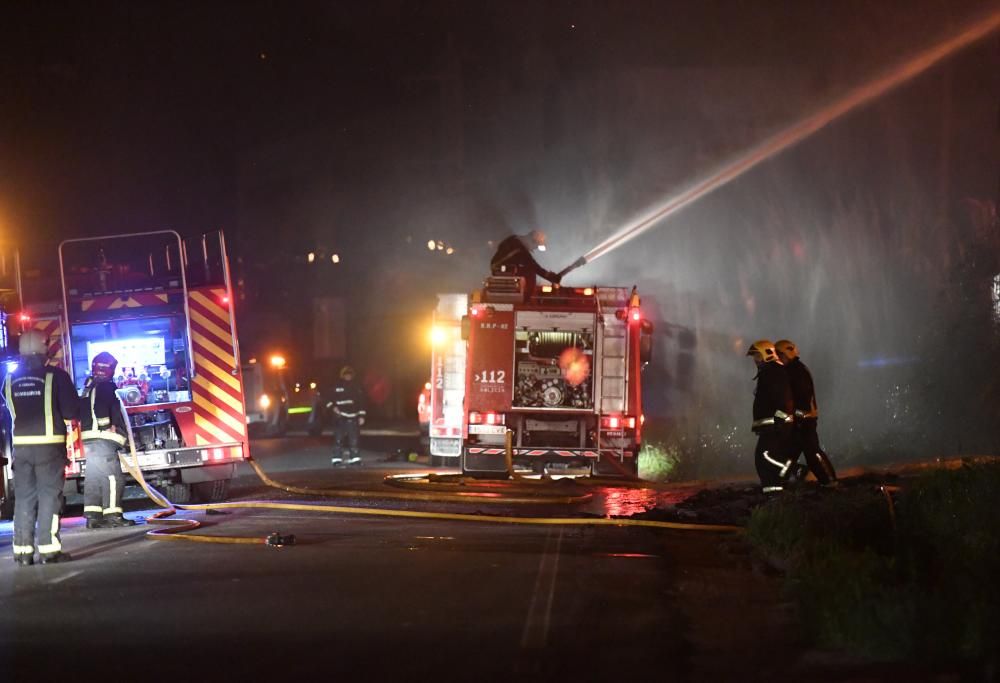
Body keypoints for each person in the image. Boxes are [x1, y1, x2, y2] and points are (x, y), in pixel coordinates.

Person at [5, 331, 80, 565]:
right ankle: (49, 550)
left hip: (21, 449)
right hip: (49, 448)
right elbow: (71, 412)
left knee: (24, 498)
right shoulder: (56, 376)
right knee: (49, 496)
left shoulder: (9, 379)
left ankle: (23, 552)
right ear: (44, 349)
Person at [79, 351, 136, 528]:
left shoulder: (88, 387)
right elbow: (101, 407)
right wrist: (107, 425)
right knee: (113, 478)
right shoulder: (106, 387)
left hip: (90, 441)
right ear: (109, 369)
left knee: (94, 478)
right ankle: (113, 516)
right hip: (103, 440)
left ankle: (93, 517)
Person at [774, 339, 837, 487]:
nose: (777, 358)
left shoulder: (796, 372)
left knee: (812, 453)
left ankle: (830, 481)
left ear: (787, 354)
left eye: (779, 355)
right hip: (800, 419)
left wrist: (796, 415)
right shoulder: (794, 370)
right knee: (789, 453)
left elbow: (802, 397)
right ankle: (779, 480)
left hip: (804, 420)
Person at [746, 340, 796, 495]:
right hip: (771, 424)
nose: (755, 360)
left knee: (765, 456)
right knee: (764, 460)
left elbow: (785, 399)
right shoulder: (769, 372)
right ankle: (774, 493)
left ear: (766, 355)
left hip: (775, 425)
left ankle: (795, 470)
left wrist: (779, 421)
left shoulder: (774, 372)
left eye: (757, 355)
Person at [490, 230, 561, 288]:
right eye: (536, 246)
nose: (534, 248)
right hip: (501, 268)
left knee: (524, 270)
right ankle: (527, 300)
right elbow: (534, 266)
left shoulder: (514, 240)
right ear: (533, 241)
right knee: (530, 272)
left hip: (499, 267)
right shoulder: (520, 249)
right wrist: (550, 276)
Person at [330, 365, 365, 466]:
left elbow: (361, 402)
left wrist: (362, 416)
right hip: (339, 416)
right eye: (346, 374)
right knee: (338, 439)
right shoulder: (337, 386)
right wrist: (333, 407)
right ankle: (336, 459)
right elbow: (329, 399)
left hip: (353, 416)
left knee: (354, 439)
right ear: (342, 375)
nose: (348, 376)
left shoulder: (356, 387)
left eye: (349, 375)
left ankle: (355, 458)